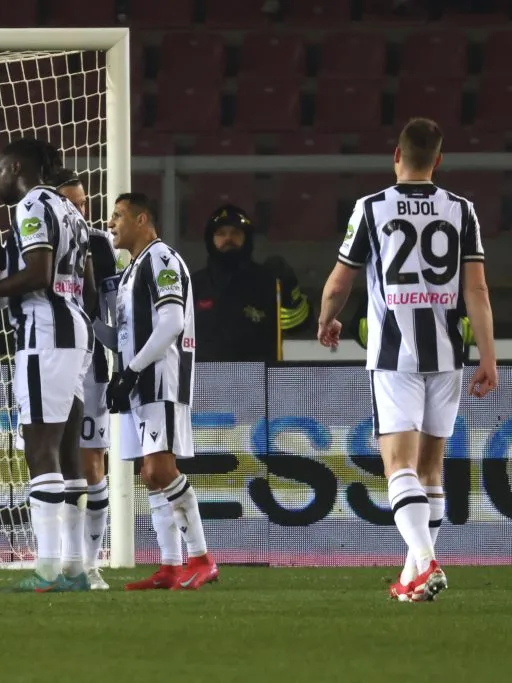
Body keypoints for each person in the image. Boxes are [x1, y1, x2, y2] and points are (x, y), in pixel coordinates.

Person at [317, 117, 497, 602]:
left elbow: (340, 280)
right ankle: (414, 574)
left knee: (398, 466)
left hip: (396, 356)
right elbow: (477, 289)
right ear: (438, 161)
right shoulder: (462, 210)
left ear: (396, 156)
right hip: (448, 354)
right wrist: (489, 358)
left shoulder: (371, 208)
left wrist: (326, 318)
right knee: (431, 470)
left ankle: (427, 561)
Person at [0, 138, 94, 592]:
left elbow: (37, 274)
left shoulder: (31, 205)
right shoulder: (69, 209)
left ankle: (47, 569)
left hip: (44, 333)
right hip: (74, 329)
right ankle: (75, 568)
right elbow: (76, 276)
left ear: (14, 166)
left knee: (39, 449)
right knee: (68, 454)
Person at [94, 192, 219, 591]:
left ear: (142, 219)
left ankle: (201, 558)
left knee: (160, 469)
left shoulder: (161, 259)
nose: (111, 223)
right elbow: (127, 335)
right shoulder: (132, 270)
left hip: (159, 380)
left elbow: (170, 324)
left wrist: (130, 372)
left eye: (118, 216)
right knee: (149, 475)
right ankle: (168, 565)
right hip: (137, 382)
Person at [49, 167, 116, 590]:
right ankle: (60, 559)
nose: (79, 210)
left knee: (92, 461)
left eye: (84, 203)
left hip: (91, 366)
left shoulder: (99, 242)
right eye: (71, 203)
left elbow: (112, 304)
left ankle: (90, 564)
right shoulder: (38, 237)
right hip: (48, 362)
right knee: (47, 461)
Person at [191, 204, 308, 361]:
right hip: (204, 381)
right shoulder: (194, 285)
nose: (228, 238)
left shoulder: (268, 282)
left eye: (235, 233)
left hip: (258, 380)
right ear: (210, 240)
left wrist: (289, 291)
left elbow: (297, 326)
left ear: (247, 238)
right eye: (221, 233)